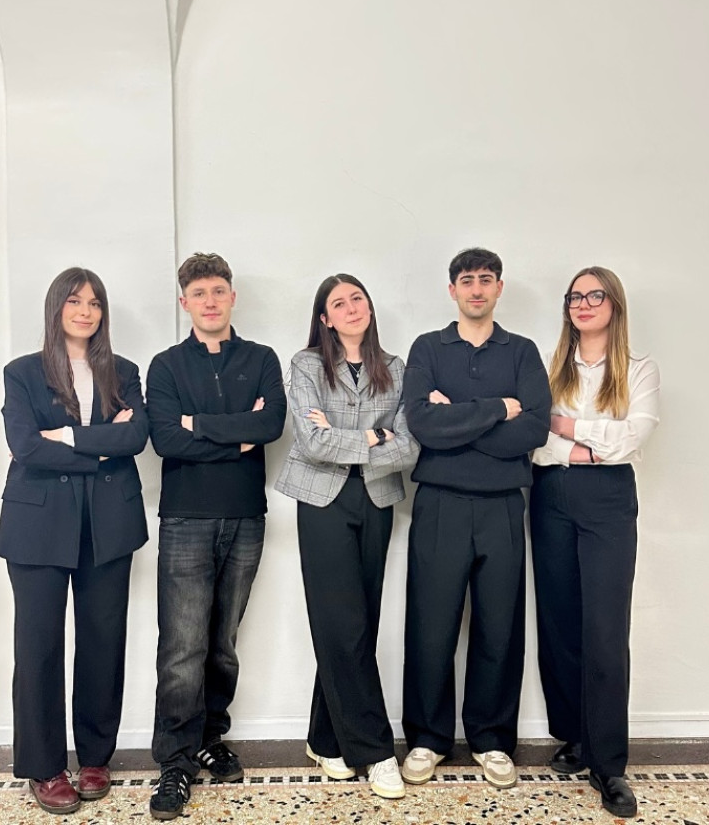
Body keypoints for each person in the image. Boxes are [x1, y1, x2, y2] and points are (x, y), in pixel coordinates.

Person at [0, 267, 149, 816]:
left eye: (95, 302)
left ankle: (95, 757)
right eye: (74, 301)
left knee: (103, 642)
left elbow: (137, 435)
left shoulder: (124, 372)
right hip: (37, 527)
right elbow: (24, 446)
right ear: (56, 307)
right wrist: (101, 448)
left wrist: (69, 436)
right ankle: (43, 766)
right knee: (38, 647)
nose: (85, 311)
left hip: (108, 525)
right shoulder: (22, 373)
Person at [400, 248, 551, 789]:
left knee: (499, 624)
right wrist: (495, 409)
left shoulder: (523, 352)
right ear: (452, 291)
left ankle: (491, 739)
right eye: (467, 281)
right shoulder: (427, 348)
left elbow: (533, 430)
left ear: (499, 288)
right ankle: (427, 738)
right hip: (439, 503)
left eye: (486, 280)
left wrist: (457, 419)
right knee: (431, 622)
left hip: (504, 505)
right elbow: (422, 424)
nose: (477, 289)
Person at [146, 252, 287, 820]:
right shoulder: (164, 365)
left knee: (223, 644)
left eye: (219, 291)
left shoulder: (260, 358)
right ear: (185, 302)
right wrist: (235, 435)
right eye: (199, 292)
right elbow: (164, 441)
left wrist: (196, 425)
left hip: (245, 517)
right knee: (183, 648)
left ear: (232, 298)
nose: (210, 300)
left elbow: (270, 424)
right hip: (185, 519)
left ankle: (210, 734)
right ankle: (175, 763)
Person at [275, 274, 420, 799]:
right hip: (322, 501)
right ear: (325, 319)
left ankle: (325, 735)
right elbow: (311, 444)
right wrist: (372, 435)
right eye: (339, 303)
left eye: (357, 298)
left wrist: (355, 438)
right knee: (342, 623)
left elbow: (408, 447)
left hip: (376, 500)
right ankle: (376, 750)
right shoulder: (307, 365)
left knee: (360, 622)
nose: (351, 307)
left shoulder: (397, 369)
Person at [530, 267, 660, 819]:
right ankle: (575, 739)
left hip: (608, 500)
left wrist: (569, 430)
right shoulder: (548, 368)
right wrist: (580, 443)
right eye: (575, 296)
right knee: (560, 622)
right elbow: (534, 440)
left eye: (594, 295)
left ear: (614, 305)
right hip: (551, 493)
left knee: (605, 629)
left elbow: (637, 433)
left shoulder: (638, 369)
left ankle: (610, 766)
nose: (583, 304)